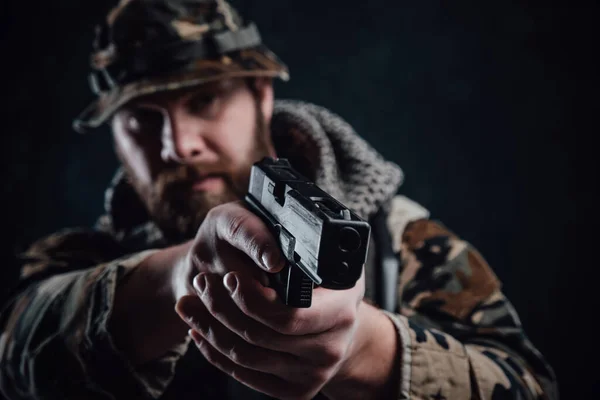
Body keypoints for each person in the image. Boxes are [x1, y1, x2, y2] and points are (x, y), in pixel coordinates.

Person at [0, 0, 558, 399]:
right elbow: (13, 357)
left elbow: (530, 385)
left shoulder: (398, 242)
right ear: (114, 135)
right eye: (142, 121)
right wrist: (172, 280)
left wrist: (370, 352)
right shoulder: (85, 258)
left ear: (261, 94)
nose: (180, 145)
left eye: (206, 100)